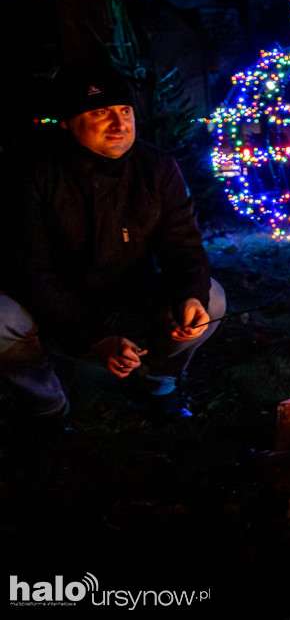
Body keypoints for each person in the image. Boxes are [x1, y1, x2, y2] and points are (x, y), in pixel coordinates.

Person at [0, 57, 226, 423]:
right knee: (1, 319)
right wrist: (92, 336)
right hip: (52, 304)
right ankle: (46, 405)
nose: (119, 124)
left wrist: (190, 295)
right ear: (69, 121)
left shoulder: (157, 167)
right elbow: (30, 270)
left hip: (131, 292)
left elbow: (183, 246)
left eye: (125, 110)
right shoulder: (32, 172)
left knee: (210, 299)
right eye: (101, 113)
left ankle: (157, 383)